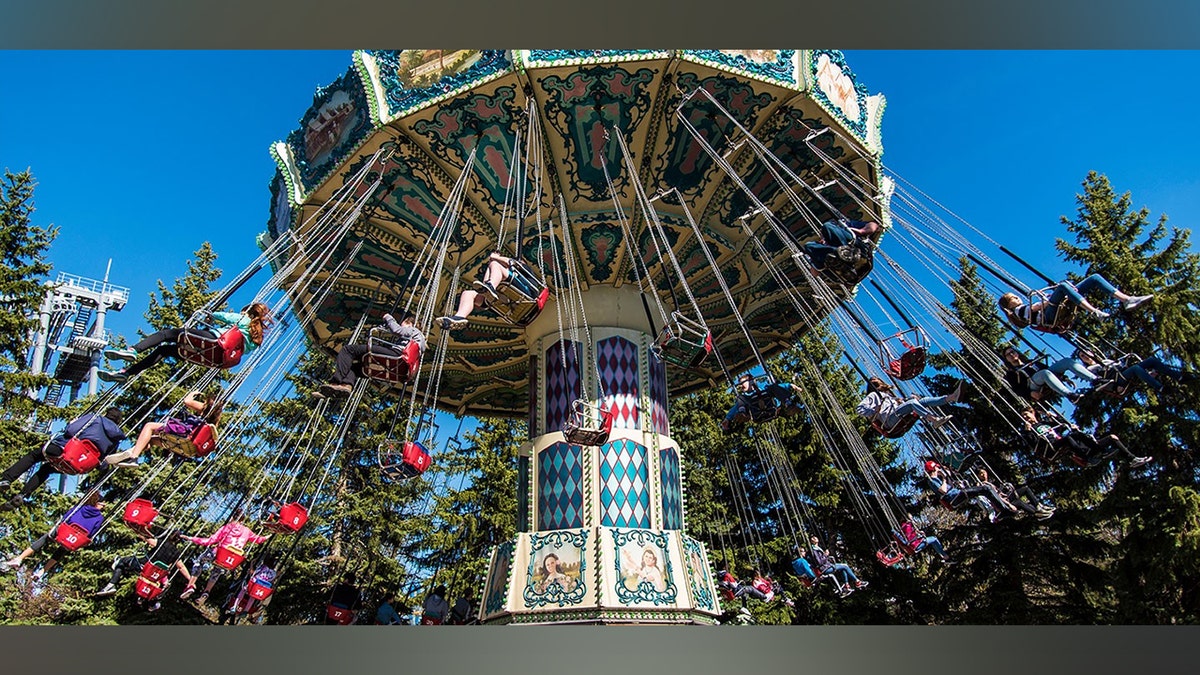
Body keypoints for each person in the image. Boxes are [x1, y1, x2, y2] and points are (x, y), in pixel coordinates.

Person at [100, 302, 273, 382]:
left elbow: (222, 315)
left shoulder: (242, 320)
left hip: (213, 340)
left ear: (248, 313)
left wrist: (210, 312)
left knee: (168, 334)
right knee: (165, 351)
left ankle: (134, 350)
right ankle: (126, 372)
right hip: (213, 358)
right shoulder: (254, 340)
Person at [0, 407, 126, 509]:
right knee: (47, 469)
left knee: (34, 456)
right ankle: (23, 494)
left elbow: (71, 431)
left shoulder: (95, 419)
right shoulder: (115, 440)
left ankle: (7, 479)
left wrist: (71, 423)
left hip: (64, 449)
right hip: (77, 465)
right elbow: (103, 463)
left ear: (106, 414)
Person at [317, 313, 427, 397]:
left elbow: (396, 330)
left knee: (348, 350)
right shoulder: (420, 343)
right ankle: (346, 385)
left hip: (397, 355)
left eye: (403, 323)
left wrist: (389, 318)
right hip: (401, 371)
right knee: (354, 367)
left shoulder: (414, 331)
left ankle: (335, 382)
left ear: (409, 324)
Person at [103, 390, 223, 467]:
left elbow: (187, 401)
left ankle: (133, 457)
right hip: (189, 447)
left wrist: (193, 394)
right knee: (150, 439)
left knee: (149, 426)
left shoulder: (205, 408)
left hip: (183, 434)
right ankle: (132, 453)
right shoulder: (216, 418)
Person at [2, 491, 105, 580]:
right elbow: (92, 533)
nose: (103, 506)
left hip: (64, 532)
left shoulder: (79, 508)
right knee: (62, 550)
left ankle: (20, 558)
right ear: (96, 503)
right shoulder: (99, 518)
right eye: (102, 504)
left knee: (46, 538)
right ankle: (43, 570)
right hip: (74, 539)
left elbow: (66, 517)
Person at [998, 275, 1152, 330]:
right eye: (1013, 298)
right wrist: (1052, 296)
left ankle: (1126, 300)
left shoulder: (1022, 308)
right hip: (1050, 315)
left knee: (1094, 279)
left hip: (1056, 308)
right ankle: (1094, 311)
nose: (1017, 298)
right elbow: (1038, 306)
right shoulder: (1019, 312)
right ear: (1009, 305)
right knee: (1063, 286)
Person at [179, 512, 270, 606]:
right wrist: (268, 535)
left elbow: (210, 540)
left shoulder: (227, 527)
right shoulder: (247, 531)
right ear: (242, 520)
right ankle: (206, 591)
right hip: (229, 559)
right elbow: (258, 539)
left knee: (200, 561)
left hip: (219, 553)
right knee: (217, 571)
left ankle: (191, 585)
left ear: (232, 517)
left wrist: (191, 538)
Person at [437, 251, 544, 330]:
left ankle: (491, 288)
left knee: (495, 265)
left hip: (527, 293)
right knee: (468, 293)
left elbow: (512, 262)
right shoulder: (503, 275)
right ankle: (460, 317)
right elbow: (485, 282)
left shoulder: (523, 269)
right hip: (507, 296)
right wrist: (491, 264)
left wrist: (495, 258)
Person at [1018, 407, 1151, 469]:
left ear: (1033, 413)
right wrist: (1027, 430)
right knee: (1069, 438)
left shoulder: (1045, 423)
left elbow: (1063, 425)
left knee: (1111, 437)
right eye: (1024, 417)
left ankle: (1132, 458)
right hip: (1052, 446)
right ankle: (1088, 459)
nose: (1027, 417)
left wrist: (1053, 416)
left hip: (1080, 446)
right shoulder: (1028, 430)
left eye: (1028, 414)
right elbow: (1033, 444)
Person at [924, 461, 1050, 521]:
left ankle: (1037, 509)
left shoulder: (939, 477)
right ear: (934, 469)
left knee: (987, 489)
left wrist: (948, 472)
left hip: (958, 493)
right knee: (985, 489)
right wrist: (944, 478)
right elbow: (943, 490)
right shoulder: (933, 480)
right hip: (954, 497)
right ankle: (1001, 508)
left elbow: (952, 473)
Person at [95, 529, 194, 601]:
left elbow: (146, 539)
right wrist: (191, 580)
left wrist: (138, 530)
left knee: (121, 562)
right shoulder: (176, 553)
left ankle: (111, 585)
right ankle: (147, 601)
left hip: (143, 565)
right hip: (152, 574)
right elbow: (181, 567)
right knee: (126, 566)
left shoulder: (161, 543)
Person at [855, 377, 963, 433]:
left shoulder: (889, 396)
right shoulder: (874, 395)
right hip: (888, 421)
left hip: (896, 414)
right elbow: (859, 409)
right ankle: (934, 420)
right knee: (911, 404)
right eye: (875, 384)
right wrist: (874, 411)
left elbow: (901, 405)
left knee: (923, 401)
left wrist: (907, 400)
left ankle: (951, 397)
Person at [1075, 348, 1193, 395]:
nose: (1085, 356)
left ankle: (1179, 377)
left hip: (1124, 372)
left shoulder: (1105, 360)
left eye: (1086, 353)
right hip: (1116, 380)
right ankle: (1160, 388)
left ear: (1091, 353)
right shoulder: (1089, 370)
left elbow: (1120, 365)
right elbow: (1098, 382)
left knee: (1151, 360)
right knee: (1136, 368)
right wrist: (1115, 388)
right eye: (1082, 356)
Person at [1000, 346, 1096, 402]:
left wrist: (1064, 378)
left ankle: (1095, 379)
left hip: (1043, 374)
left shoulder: (1032, 362)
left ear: (1017, 353)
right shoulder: (1012, 373)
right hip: (1032, 384)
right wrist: (1029, 394)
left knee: (1066, 361)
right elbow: (1016, 389)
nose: (1012, 355)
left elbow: (1047, 369)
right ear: (1007, 359)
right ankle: (1070, 395)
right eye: (1008, 355)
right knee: (1044, 373)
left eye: (1012, 352)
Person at [722, 373, 803, 433]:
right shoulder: (745, 397)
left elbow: (779, 387)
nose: (741, 387)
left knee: (773, 387)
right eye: (739, 385)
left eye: (742, 383)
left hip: (770, 408)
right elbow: (735, 408)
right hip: (757, 414)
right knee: (740, 398)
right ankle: (742, 413)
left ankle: (788, 404)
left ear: (751, 381)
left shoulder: (765, 388)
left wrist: (791, 385)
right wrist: (727, 418)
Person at [799, 218, 881, 271]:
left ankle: (846, 252)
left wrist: (862, 231)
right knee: (808, 246)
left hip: (851, 244)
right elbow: (814, 273)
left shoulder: (847, 225)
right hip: (833, 256)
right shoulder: (823, 243)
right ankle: (836, 256)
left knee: (827, 226)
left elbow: (874, 225)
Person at [975, 468, 1054, 520]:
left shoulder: (988, 483)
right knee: (1019, 503)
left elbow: (998, 493)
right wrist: (1009, 505)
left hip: (1005, 498)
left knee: (1025, 489)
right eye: (981, 474)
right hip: (1002, 504)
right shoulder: (983, 485)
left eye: (984, 472)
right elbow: (995, 497)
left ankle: (1038, 506)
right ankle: (1037, 514)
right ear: (978, 476)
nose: (983, 475)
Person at [220, 553, 277, 624]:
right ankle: (246, 610)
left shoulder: (263, 567)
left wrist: (252, 564)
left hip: (253, 585)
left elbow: (252, 573)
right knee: (252, 597)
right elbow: (272, 581)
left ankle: (235, 605)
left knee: (243, 589)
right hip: (259, 590)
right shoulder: (273, 573)